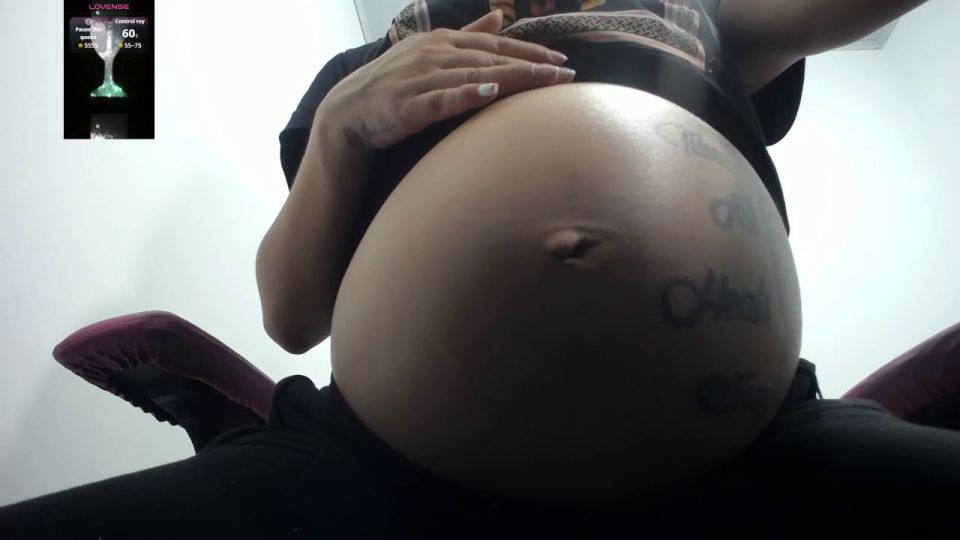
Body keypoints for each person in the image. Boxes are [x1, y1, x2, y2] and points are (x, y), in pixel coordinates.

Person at [3, 1, 957, 538]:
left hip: (760, 452)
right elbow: (291, 317)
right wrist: (340, 129)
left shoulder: (701, 18)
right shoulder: (370, 65)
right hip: (372, 473)